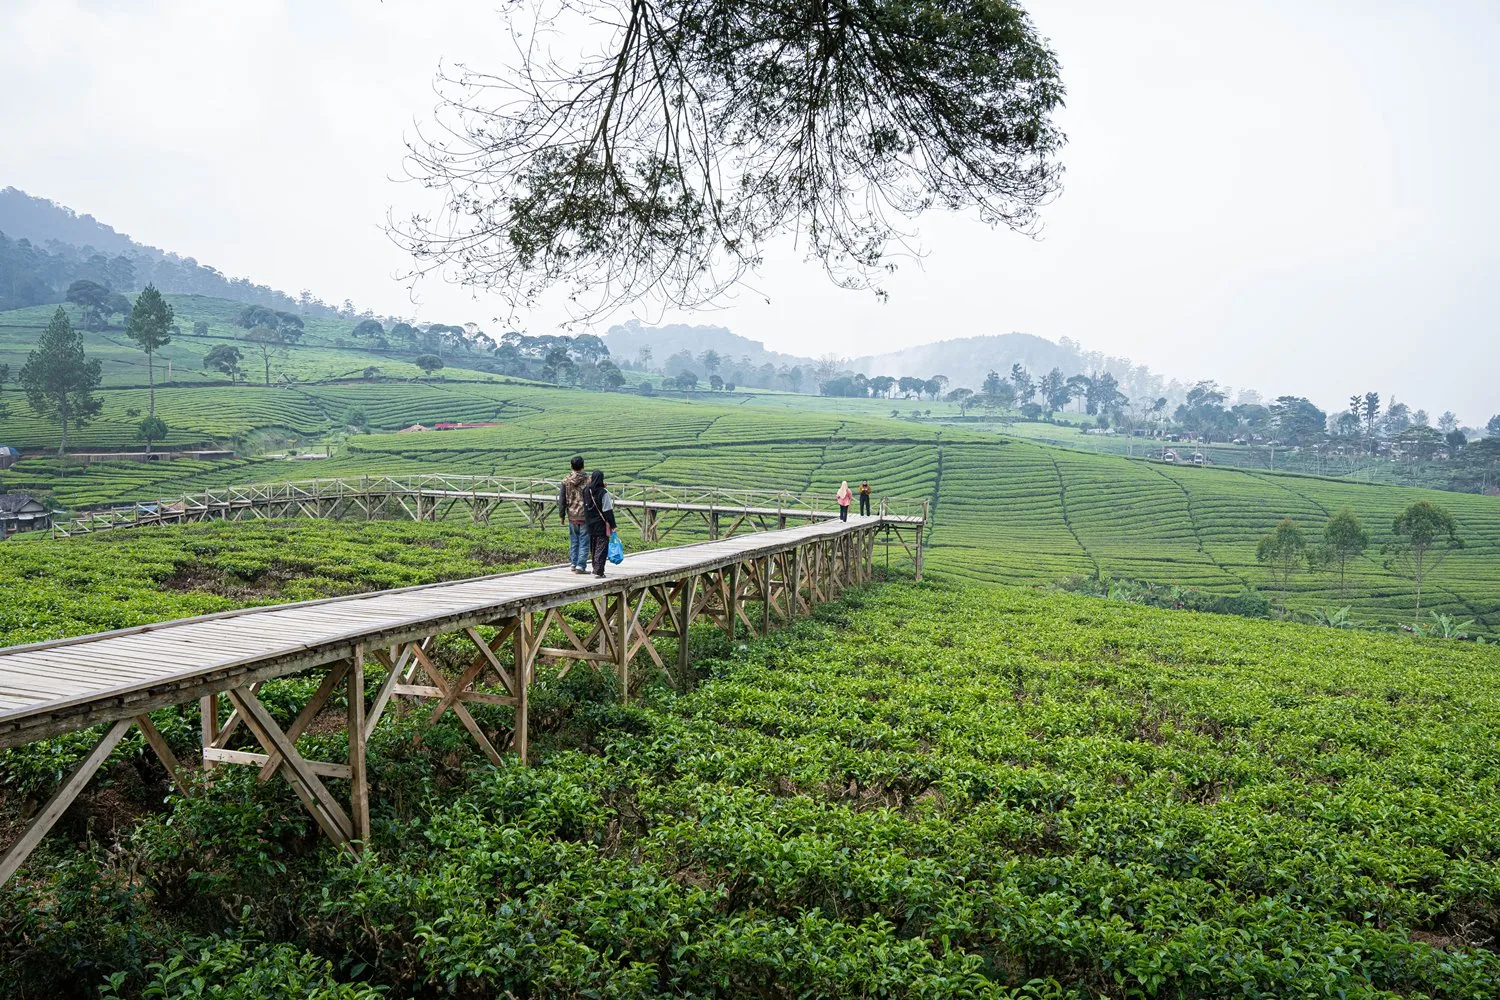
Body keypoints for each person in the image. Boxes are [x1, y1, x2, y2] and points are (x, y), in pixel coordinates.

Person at [582, 469, 618, 577]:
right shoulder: (603, 492)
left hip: (589, 524)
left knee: (593, 547)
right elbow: (607, 510)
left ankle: (595, 568)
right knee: (601, 548)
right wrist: (613, 525)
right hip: (601, 524)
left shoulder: (586, 490)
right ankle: (599, 570)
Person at [558, 455, 590, 573]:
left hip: (572, 515)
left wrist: (562, 516)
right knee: (584, 541)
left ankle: (573, 563)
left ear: (571, 466)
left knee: (574, 540)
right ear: (583, 466)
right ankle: (581, 566)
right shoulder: (588, 480)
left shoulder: (565, 481)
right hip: (585, 515)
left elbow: (562, 500)